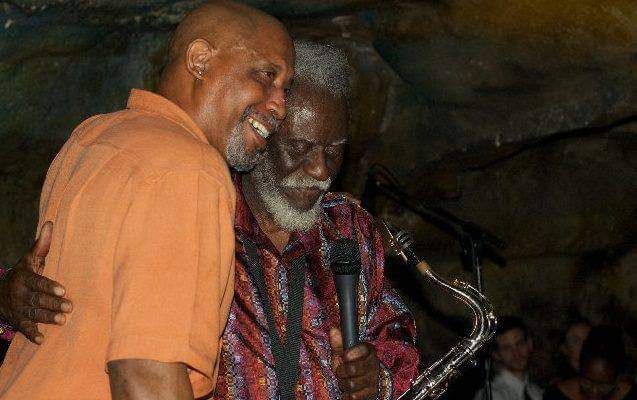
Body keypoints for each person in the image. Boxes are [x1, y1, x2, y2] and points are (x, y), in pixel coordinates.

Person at [0, 40, 419, 399]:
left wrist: (378, 376)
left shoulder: (349, 228)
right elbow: (80, 308)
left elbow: (396, 334)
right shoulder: (191, 205)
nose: (320, 170)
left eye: (334, 151)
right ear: (261, 133)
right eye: (300, 148)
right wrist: (6, 298)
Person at [0, 1, 295, 399]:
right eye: (266, 75)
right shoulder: (189, 168)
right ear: (200, 60)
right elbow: (145, 373)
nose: (280, 105)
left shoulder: (93, 136)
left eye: (285, 88)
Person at [543, 326, 637, 400]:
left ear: (618, 379)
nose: (594, 392)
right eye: (587, 383)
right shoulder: (556, 396)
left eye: (604, 386)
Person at [474, 316, 543, 400]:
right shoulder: (491, 395)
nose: (516, 353)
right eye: (507, 348)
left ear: (529, 343)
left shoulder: (537, 392)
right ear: (496, 354)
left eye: (519, 344)